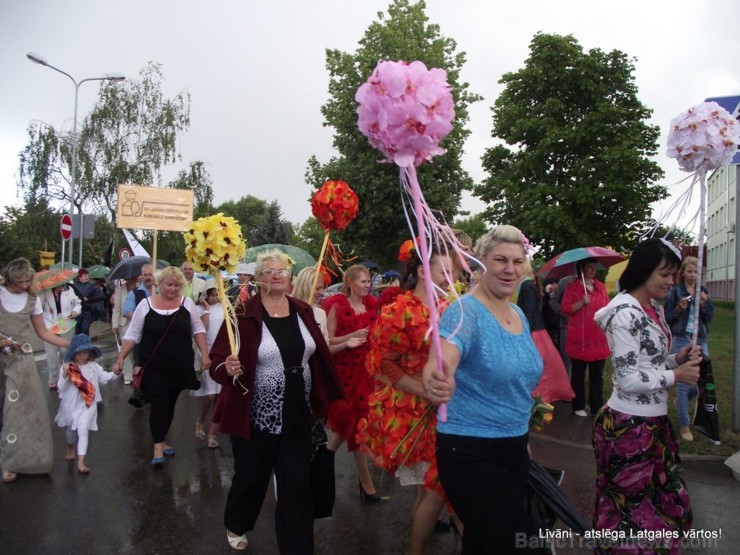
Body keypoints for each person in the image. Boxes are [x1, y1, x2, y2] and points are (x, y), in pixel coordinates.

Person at [209, 250, 344, 552]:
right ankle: (237, 521)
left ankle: (297, 548)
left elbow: (319, 354)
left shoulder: (302, 310)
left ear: (289, 276)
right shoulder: (242, 315)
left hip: (299, 412)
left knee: (296, 486)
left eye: (281, 269)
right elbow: (217, 361)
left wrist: (324, 398)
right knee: (251, 479)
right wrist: (226, 369)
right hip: (257, 416)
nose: (277, 274)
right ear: (258, 279)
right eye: (269, 271)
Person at [422, 225, 544, 553]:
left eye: (518, 261)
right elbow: (444, 355)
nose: (510, 269)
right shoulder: (465, 313)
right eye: (501, 260)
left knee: (486, 542)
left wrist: (521, 437)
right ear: (483, 262)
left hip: (513, 447)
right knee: (516, 542)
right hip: (470, 450)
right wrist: (437, 374)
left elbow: (519, 379)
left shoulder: (518, 312)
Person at [593, 238, 701, 552]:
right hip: (629, 426)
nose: (672, 281)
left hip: (653, 424)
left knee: (663, 504)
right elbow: (628, 379)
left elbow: (649, 364)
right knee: (628, 515)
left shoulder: (651, 307)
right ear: (643, 272)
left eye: (674, 275)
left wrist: (675, 360)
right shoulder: (626, 313)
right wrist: (675, 376)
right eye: (664, 275)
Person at [358, 242, 455, 555]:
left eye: (452, 272)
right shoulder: (401, 310)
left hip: (445, 412)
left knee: (434, 489)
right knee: (437, 486)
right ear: (421, 272)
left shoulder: (448, 308)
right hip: (414, 414)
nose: (449, 278)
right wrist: (424, 390)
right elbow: (383, 364)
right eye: (443, 271)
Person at [112, 266, 209, 466]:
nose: (172, 289)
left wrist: (204, 354)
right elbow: (133, 335)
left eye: (176, 285)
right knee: (160, 402)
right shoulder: (146, 305)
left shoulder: (187, 304)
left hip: (180, 364)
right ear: (159, 284)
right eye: (168, 284)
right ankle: (157, 447)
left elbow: (197, 329)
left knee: (171, 402)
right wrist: (121, 358)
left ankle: (162, 439)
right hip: (154, 365)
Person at [1, 258, 72, 483]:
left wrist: (72, 345)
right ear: (10, 279)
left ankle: (16, 461)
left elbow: (43, 332)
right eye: (19, 282)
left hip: (21, 362)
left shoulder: (33, 299)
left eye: (27, 281)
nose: (24, 285)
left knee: (20, 412)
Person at [321, 264, 379, 501]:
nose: (367, 285)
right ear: (351, 283)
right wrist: (351, 337)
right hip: (343, 371)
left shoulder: (372, 306)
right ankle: (366, 483)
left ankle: (322, 458)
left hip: (366, 371)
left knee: (353, 423)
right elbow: (328, 339)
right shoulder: (336, 305)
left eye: (369, 281)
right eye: (363, 281)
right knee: (353, 423)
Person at [664, 255, 714, 441]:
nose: (693, 275)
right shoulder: (675, 291)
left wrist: (703, 305)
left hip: (700, 339)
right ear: (683, 272)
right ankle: (685, 425)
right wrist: (679, 309)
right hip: (681, 339)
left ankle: (680, 403)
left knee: (701, 381)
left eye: (696, 272)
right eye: (690, 271)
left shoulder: (704, 291)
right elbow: (667, 318)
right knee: (684, 385)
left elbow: (709, 319)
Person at [54, 333, 121, 473]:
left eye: (85, 352)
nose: (83, 356)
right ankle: (71, 446)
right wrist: (65, 376)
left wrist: (116, 372)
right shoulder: (68, 368)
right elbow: (61, 387)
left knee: (83, 429)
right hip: (71, 405)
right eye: (79, 353)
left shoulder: (93, 366)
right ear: (73, 353)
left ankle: (81, 461)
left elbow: (105, 378)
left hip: (88, 404)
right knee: (71, 431)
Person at [516, 261, 573, 404]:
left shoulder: (526, 284)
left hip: (532, 331)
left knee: (539, 365)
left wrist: (523, 333)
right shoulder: (526, 284)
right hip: (535, 329)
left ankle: (540, 396)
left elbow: (528, 311)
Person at [561, 259, 610, 416]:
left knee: (597, 376)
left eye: (594, 267)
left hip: (598, 339)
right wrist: (581, 302)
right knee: (578, 374)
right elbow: (565, 308)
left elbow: (607, 308)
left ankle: (596, 407)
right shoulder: (572, 287)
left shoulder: (601, 287)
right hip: (580, 340)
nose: (592, 270)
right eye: (589, 267)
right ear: (581, 268)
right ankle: (578, 406)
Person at [291, 266, 365, 355]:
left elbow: (325, 349)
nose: (322, 293)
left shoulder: (320, 313)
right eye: (317, 288)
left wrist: (345, 344)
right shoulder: (287, 309)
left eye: (322, 288)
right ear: (304, 287)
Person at [192, 280, 222, 449]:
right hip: (206, 353)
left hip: (221, 354)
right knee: (210, 394)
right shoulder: (199, 310)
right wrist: (206, 308)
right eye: (211, 295)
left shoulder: (225, 308)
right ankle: (201, 419)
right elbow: (202, 329)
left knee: (219, 395)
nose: (214, 298)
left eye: (217, 294)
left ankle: (212, 434)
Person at [40, 281, 81, 389]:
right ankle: (53, 378)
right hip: (49, 326)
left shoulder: (69, 290)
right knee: (51, 354)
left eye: (63, 283)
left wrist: (75, 311)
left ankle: (69, 375)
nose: (62, 285)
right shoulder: (45, 292)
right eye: (60, 283)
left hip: (66, 325)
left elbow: (77, 303)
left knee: (66, 352)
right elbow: (37, 307)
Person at [111, 276, 138, 385]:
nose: (131, 279)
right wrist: (115, 324)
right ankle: (128, 374)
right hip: (124, 323)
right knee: (125, 349)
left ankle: (138, 371)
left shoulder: (140, 288)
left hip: (136, 321)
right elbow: (117, 308)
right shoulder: (120, 289)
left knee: (137, 349)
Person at [548, 274, 576, 377]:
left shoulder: (592, 283)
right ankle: (567, 384)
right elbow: (553, 300)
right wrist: (563, 313)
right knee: (567, 357)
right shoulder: (565, 282)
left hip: (584, 327)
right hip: (567, 326)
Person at [70, 268, 106, 336]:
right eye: (85, 276)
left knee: (85, 328)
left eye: (87, 276)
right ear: (79, 277)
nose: (87, 277)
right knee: (77, 329)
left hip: (88, 310)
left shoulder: (92, 286)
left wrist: (88, 299)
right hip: (77, 311)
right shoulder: (74, 286)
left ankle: (85, 344)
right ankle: (78, 344)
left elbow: (101, 296)